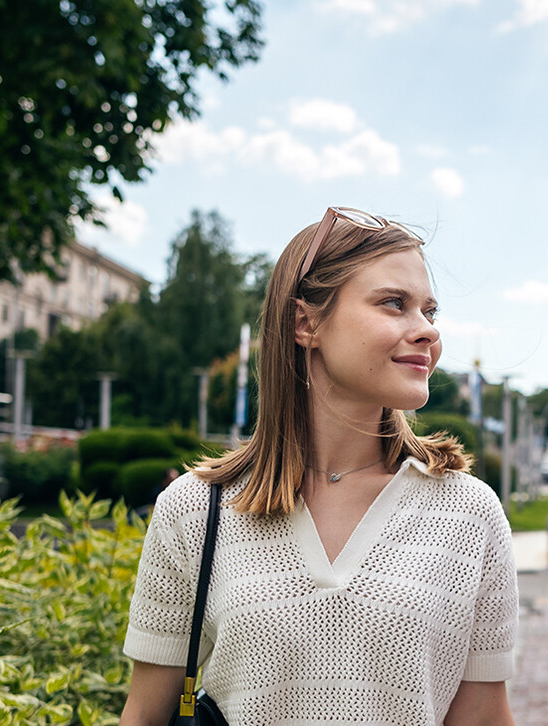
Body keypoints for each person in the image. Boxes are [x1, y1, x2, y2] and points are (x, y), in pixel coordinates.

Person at [118, 207, 517, 726]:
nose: (426, 332)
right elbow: (145, 715)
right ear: (306, 323)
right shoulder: (195, 511)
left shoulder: (471, 514)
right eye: (394, 304)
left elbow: (483, 718)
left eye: (429, 312)